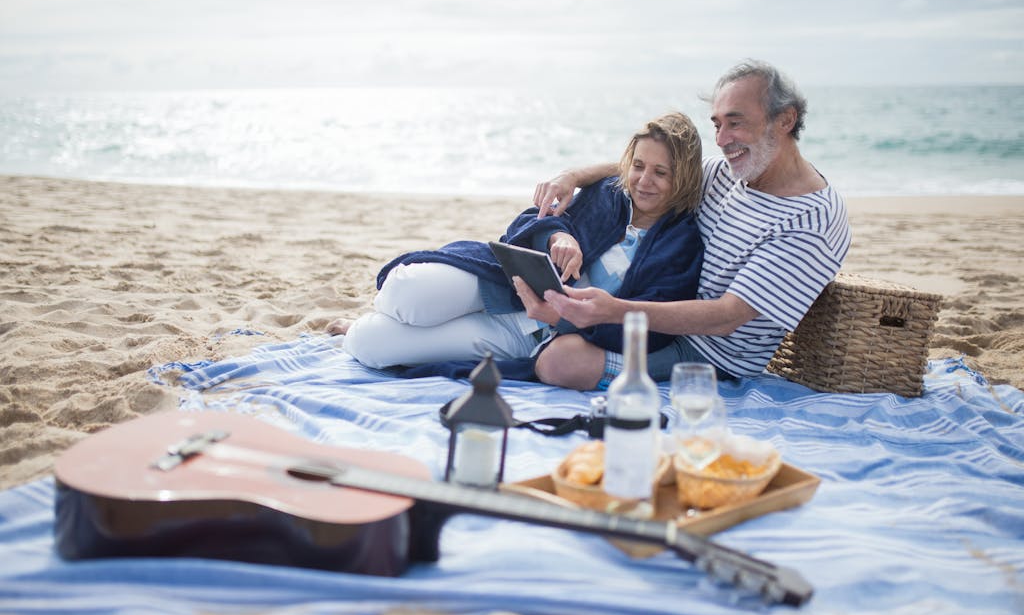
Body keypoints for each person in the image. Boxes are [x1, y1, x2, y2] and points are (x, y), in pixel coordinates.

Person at [514, 59, 852, 390]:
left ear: (785, 119)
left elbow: (727, 316)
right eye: (717, 125)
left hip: (706, 351)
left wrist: (615, 312)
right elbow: (642, 169)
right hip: (657, 314)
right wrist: (570, 176)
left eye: (735, 123)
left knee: (560, 362)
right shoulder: (728, 173)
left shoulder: (811, 219)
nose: (721, 140)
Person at [330, 112, 705, 375]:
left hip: (529, 334)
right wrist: (560, 235)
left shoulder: (680, 244)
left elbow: (648, 330)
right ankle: (400, 313)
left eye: (661, 173)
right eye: (638, 166)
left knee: (371, 345)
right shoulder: (608, 193)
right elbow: (533, 220)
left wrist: (563, 321)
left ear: (684, 178)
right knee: (404, 290)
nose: (643, 181)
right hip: (504, 282)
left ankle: (361, 326)